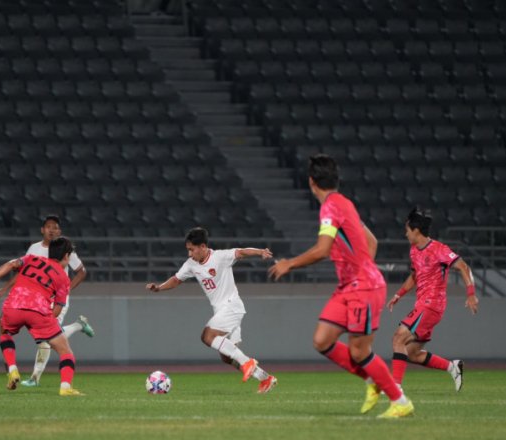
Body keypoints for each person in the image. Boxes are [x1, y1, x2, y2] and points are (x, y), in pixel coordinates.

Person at [268, 154, 413, 418]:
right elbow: (372, 242)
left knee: (359, 351)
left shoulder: (331, 208)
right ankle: (372, 381)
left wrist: (290, 263)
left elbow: (323, 250)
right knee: (322, 340)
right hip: (349, 286)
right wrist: (358, 267)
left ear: (311, 182)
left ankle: (400, 400)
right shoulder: (345, 203)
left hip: (364, 288)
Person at [145, 227, 278, 393]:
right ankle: (265, 379)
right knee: (227, 356)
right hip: (222, 311)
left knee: (207, 336)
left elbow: (241, 252)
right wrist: (159, 288)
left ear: (202, 247)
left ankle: (247, 363)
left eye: (191, 250)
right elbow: (176, 279)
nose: (189, 254)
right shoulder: (191, 264)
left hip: (231, 306)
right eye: (188, 250)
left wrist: (260, 252)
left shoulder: (220, 257)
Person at [385, 208, 479, 395]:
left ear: (416, 230)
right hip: (423, 305)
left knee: (398, 337)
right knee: (411, 353)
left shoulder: (439, 249)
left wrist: (471, 294)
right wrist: (398, 295)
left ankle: (395, 388)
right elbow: (414, 276)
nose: (405, 234)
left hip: (432, 304)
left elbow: (463, 266)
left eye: (407, 230)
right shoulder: (414, 251)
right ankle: (452, 367)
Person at [0, 237, 82, 396]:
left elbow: (10, 265)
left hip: (13, 306)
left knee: (4, 333)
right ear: (66, 256)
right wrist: (47, 329)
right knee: (65, 351)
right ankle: (66, 387)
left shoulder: (31, 259)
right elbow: (58, 309)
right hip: (38, 311)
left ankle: (12, 369)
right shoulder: (64, 279)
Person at [0, 215, 94, 387]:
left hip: (56, 300)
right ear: (42, 230)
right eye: (49, 226)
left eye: (55, 227)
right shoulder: (34, 248)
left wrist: (65, 290)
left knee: (47, 339)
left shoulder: (66, 251)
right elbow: (22, 271)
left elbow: (81, 271)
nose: (52, 230)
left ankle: (34, 378)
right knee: (50, 337)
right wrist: (5, 289)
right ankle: (78, 325)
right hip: (35, 298)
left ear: (59, 231)